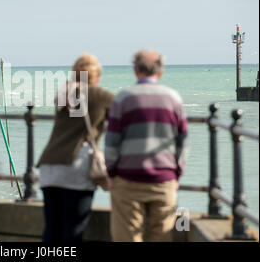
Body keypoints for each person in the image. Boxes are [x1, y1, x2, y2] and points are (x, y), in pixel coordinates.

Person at [105, 49, 188, 242]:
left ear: (135, 70)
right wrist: (177, 173)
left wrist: (111, 172)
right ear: (161, 72)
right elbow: (183, 141)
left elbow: (111, 142)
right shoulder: (173, 98)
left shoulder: (123, 98)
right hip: (164, 180)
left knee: (127, 236)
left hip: (127, 179)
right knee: (162, 236)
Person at [36, 53, 114, 242]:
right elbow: (126, 112)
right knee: (73, 230)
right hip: (75, 166)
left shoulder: (63, 94)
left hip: (49, 166)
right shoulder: (101, 95)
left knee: (52, 229)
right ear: (96, 77)